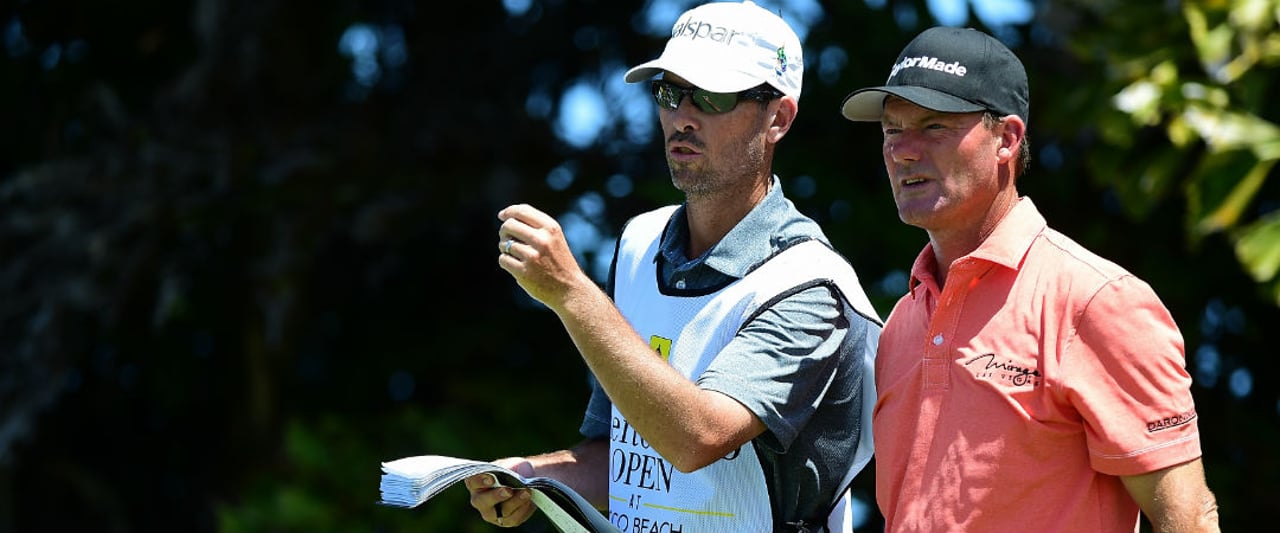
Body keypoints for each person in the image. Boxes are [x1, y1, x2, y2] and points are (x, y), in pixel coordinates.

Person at [465, 1, 883, 531]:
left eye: (711, 96)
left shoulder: (810, 284)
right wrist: (534, 476)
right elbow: (629, 461)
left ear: (778, 118)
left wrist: (571, 291)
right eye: (668, 92)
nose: (681, 117)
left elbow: (696, 439)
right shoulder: (639, 242)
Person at [838, 26, 1220, 533]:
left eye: (934, 128)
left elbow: (1188, 520)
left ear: (1007, 139)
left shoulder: (1096, 301)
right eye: (891, 130)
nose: (903, 150)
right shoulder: (901, 324)